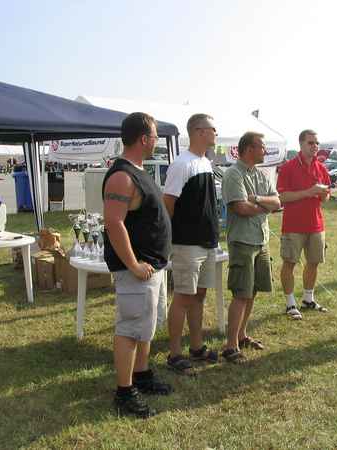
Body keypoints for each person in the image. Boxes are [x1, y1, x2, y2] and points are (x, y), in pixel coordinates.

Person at [103, 112, 172, 418]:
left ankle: (141, 374)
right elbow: (113, 223)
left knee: (146, 326)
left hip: (153, 266)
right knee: (130, 328)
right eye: (155, 136)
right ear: (144, 139)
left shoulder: (138, 171)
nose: (156, 141)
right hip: (138, 269)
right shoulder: (122, 176)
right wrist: (132, 264)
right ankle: (124, 391)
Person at [163, 113, 220, 373]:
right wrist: (179, 233)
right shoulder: (181, 164)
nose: (216, 133)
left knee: (199, 296)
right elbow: (168, 202)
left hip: (207, 242)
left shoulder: (205, 162)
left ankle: (196, 347)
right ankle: (174, 353)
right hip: (188, 243)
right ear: (199, 131)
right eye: (213, 129)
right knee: (183, 297)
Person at [221, 132, 281, 362]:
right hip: (243, 242)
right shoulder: (233, 174)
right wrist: (264, 206)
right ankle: (230, 346)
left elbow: (277, 202)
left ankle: (242, 335)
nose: (265, 151)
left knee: (252, 291)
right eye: (262, 147)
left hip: (260, 240)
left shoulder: (260, 174)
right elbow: (240, 208)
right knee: (241, 293)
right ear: (248, 149)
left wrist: (256, 199)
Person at [276, 129, 330, 320]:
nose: (315, 146)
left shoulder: (321, 168)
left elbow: (326, 197)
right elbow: (282, 197)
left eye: (317, 143)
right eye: (310, 143)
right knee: (289, 263)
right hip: (293, 225)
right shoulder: (288, 167)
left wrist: (323, 194)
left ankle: (308, 299)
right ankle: (290, 303)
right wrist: (309, 192)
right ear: (300, 144)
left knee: (313, 262)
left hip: (316, 224)